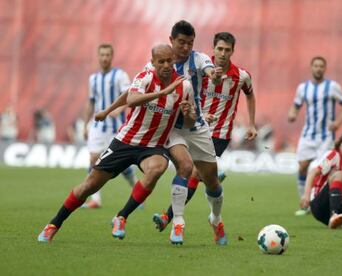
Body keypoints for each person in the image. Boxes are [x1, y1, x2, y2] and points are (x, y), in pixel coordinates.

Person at [37, 44, 195, 244]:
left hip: (153, 146)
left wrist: (190, 114)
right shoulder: (145, 77)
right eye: (160, 61)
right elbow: (132, 98)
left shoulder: (184, 86)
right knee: (89, 186)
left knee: (158, 167)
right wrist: (162, 93)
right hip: (125, 141)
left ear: (174, 60)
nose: (165, 65)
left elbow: (189, 122)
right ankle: (53, 224)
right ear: (153, 62)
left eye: (169, 61)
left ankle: (121, 217)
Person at [152, 32, 257, 232]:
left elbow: (250, 95)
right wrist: (199, 114)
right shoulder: (202, 72)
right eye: (219, 49)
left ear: (233, 51)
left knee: (193, 171)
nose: (223, 53)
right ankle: (216, 217)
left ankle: (168, 217)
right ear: (213, 49)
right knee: (206, 179)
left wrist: (251, 123)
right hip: (196, 128)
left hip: (219, 134)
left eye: (227, 50)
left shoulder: (241, 76)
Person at [145, 21, 229, 245]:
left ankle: (216, 219)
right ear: (171, 40)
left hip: (196, 126)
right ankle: (178, 223)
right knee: (184, 167)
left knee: (212, 181)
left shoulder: (199, 59)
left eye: (190, 43)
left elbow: (211, 72)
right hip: (172, 129)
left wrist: (215, 76)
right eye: (181, 42)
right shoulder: (157, 65)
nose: (185, 47)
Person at [287, 56, 342, 216]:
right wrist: (292, 114)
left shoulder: (332, 86)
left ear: (325, 68)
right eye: (315, 65)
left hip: (326, 137)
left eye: (321, 66)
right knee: (302, 167)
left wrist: (337, 123)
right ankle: (305, 202)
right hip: (308, 135)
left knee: (324, 170)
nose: (318, 68)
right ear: (311, 68)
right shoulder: (303, 88)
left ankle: (323, 204)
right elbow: (295, 106)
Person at [82, 43, 137, 208]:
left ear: (111, 57)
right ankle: (95, 199)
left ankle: (136, 188)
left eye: (107, 55)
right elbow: (91, 102)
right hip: (98, 127)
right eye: (102, 55)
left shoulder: (120, 75)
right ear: (98, 57)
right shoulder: (93, 79)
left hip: (117, 128)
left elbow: (129, 96)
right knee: (93, 158)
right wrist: (85, 125)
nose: (105, 58)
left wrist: (118, 109)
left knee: (121, 166)